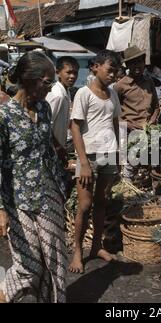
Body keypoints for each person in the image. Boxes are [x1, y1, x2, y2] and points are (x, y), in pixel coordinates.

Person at [0, 51, 67, 303]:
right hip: (18, 201)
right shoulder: (4, 117)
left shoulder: (44, 108)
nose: (50, 87)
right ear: (29, 80)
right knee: (27, 266)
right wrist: (1, 209)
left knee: (55, 259)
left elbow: (47, 144)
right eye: (47, 81)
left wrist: (63, 161)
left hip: (49, 193)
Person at [69, 50, 122, 274]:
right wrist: (83, 162)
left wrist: (118, 153)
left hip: (109, 155)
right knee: (84, 206)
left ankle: (96, 247)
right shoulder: (83, 93)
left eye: (115, 71)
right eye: (110, 70)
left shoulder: (113, 94)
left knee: (102, 203)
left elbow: (115, 122)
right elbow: (75, 127)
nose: (113, 75)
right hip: (88, 156)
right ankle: (77, 253)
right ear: (95, 67)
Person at [114, 46, 159, 182]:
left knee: (153, 163)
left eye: (140, 62)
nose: (137, 66)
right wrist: (127, 125)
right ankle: (127, 192)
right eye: (133, 63)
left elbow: (156, 106)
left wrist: (152, 121)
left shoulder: (149, 82)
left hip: (149, 131)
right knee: (130, 165)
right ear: (127, 65)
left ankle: (152, 193)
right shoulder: (120, 86)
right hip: (130, 132)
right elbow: (115, 112)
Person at [46, 56, 79, 158]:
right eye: (68, 72)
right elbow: (46, 125)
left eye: (75, 73)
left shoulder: (66, 91)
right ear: (58, 73)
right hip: (51, 150)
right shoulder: (57, 95)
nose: (73, 76)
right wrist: (58, 148)